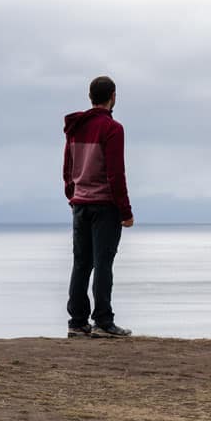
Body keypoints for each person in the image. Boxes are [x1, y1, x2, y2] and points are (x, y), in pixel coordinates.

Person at [62, 75, 134, 338]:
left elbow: (67, 169)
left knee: (81, 263)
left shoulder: (75, 128)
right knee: (103, 264)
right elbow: (116, 173)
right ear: (113, 95)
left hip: (80, 204)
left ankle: (77, 322)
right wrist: (125, 212)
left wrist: (73, 196)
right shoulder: (112, 128)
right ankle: (104, 322)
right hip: (104, 205)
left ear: (91, 96)